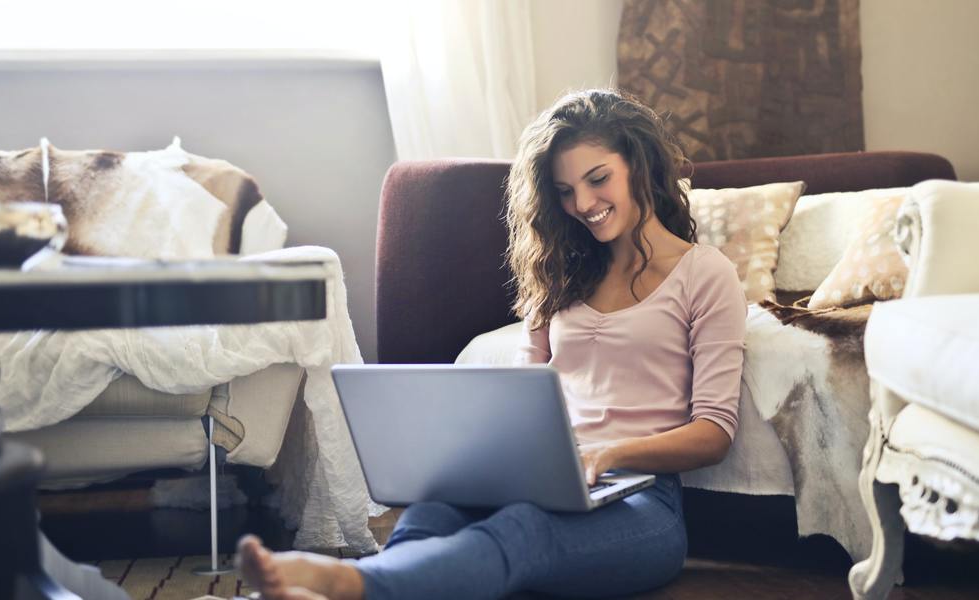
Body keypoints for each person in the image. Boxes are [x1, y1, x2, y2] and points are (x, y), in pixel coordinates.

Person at [236, 89, 748, 600]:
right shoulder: (562, 273)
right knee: (433, 511)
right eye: (565, 191)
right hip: (543, 481)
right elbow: (520, 398)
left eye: (598, 179)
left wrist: (605, 454)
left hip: (643, 503)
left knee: (520, 533)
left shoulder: (703, 274)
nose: (583, 204)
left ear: (639, 164)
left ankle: (348, 584)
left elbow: (714, 432)